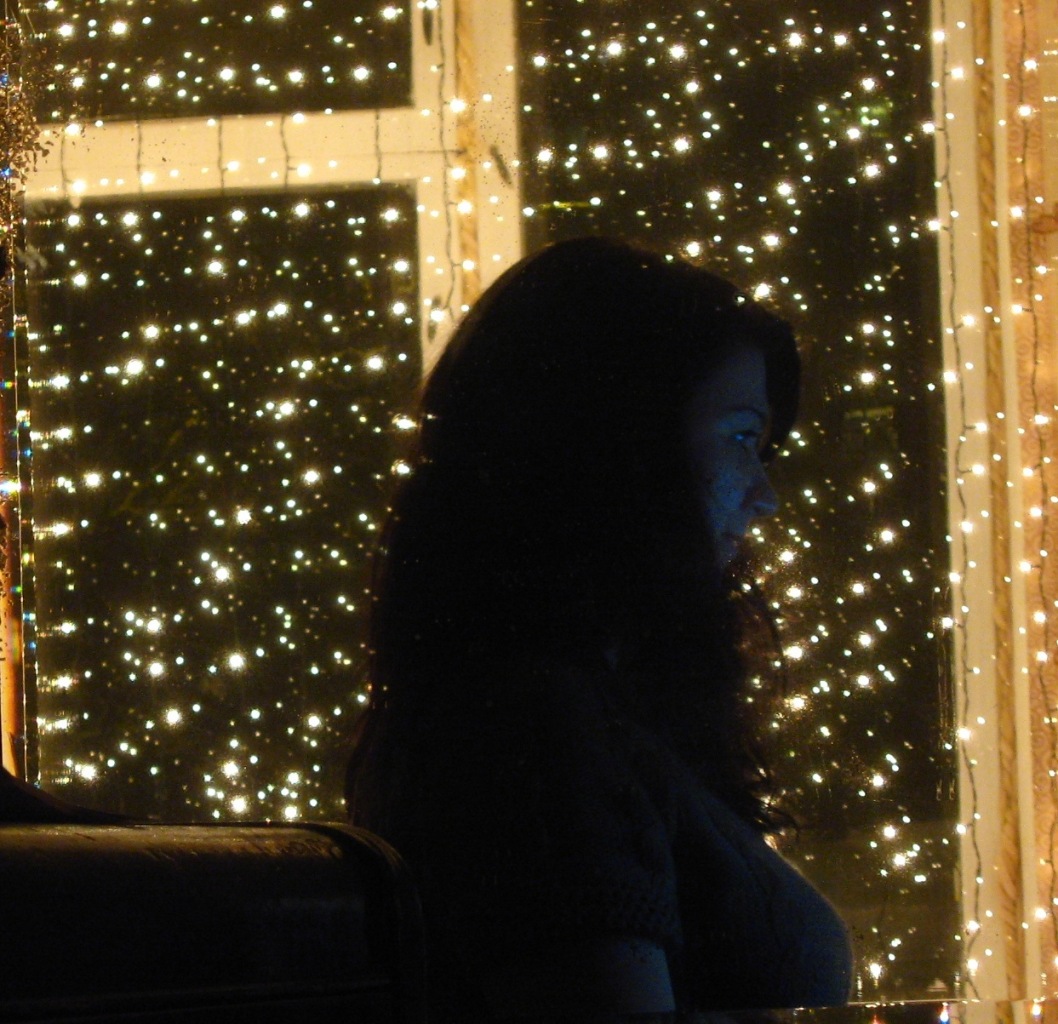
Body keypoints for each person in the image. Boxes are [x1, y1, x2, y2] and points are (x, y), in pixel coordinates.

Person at [345, 237, 853, 1021]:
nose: (765, 496)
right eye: (740, 437)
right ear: (622, 443)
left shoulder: (559, 713)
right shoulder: (537, 734)